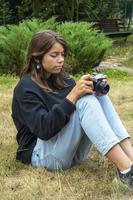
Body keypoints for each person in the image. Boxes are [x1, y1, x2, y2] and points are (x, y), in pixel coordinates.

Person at [12, 29, 133, 188]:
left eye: (62, 54)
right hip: (41, 155)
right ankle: (126, 171)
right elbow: (44, 130)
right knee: (84, 101)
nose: (60, 60)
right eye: (54, 55)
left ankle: (131, 159)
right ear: (37, 57)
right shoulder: (25, 87)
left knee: (95, 95)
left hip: (71, 153)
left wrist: (93, 87)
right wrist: (73, 96)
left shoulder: (64, 81)